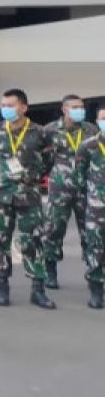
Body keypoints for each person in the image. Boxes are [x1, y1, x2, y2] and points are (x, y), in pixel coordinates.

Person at [0, 88, 55, 309]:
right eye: (3, 105)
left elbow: (48, 160)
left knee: (33, 242)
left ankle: (38, 290)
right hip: (1, 195)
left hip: (29, 194)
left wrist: (31, 178)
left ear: (24, 107)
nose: (5, 109)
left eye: (11, 105)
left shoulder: (40, 132)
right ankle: (2, 288)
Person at [43, 94, 98, 289]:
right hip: (59, 189)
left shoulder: (91, 130)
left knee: (90, 232)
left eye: (81, 107)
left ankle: (94, 273)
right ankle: (50, 272)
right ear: (64, 109)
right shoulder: (50, 130)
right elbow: (43, 158)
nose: (79, 110)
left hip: (86, 189)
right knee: (54, 229)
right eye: (75, 107)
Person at [73, 108, 105, 309]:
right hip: (96, 207)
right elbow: (79, 176)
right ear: (97, 121)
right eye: (103, 118)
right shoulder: (88, 146)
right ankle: (96, 289)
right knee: (95, 247)